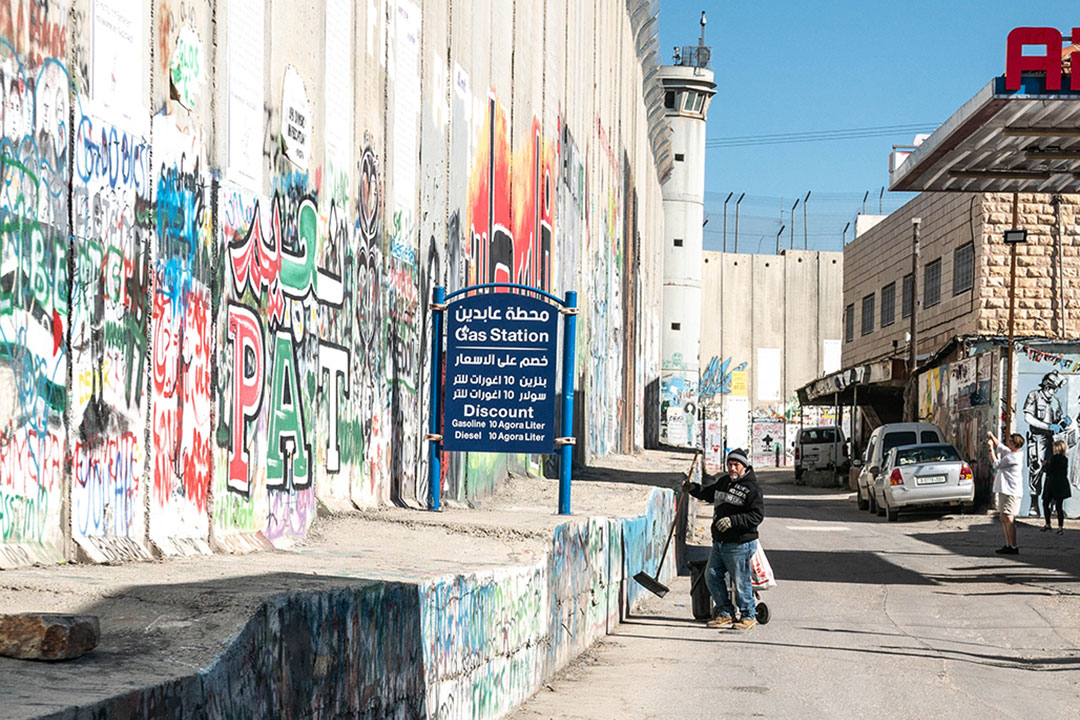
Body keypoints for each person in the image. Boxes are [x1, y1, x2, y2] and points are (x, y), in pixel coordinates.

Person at [683, 448, 765, 630]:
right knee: (711, 575)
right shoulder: (724, 482)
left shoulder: (752, 489)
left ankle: (748, 615)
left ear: (744, 466)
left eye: (736, 465)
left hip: (740, 543)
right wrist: (693, 489)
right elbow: (707, 493)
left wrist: (733, 520)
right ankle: (725, 613)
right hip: (720, 541)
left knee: (741, 580)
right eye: (729, 464)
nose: (732, 468)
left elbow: (756, 516)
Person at [1023, 371, 1070, 518]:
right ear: (1046, 386)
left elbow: (1058, 421)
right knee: (1036, 469)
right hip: (1038, 438)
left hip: (1052, 440)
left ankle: (1054, 505)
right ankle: (1034, 504)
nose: (1054, 391)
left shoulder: (1055, 402)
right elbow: (1028, 417)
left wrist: (1064, 424)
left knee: (1053, 471)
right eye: (1052, 388)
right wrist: (1047, 426)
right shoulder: (1034, 396)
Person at [987, 431, 1025, 554]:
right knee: (1003, 517)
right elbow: (1001, 447)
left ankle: (1013, 546)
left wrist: (990, 450)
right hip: (1005, 490)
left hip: (1011, 491)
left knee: (1009, 518)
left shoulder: (1012, 457)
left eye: (1009, 441)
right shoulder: (1011, 453)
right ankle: (1008, 544)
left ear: (1014, 444)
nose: (1007, 442)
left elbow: (995, 464)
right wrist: (992, 437)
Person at [1042, 440, 1071, 535]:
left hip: (1052, 484)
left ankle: (1048, 524)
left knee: (1046, 503)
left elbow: (1049, 470)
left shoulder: (1054, 458)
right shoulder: (1065, 459)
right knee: (1059, 506)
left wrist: (1044, 465)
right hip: (1061, 484)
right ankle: (1060, 527)